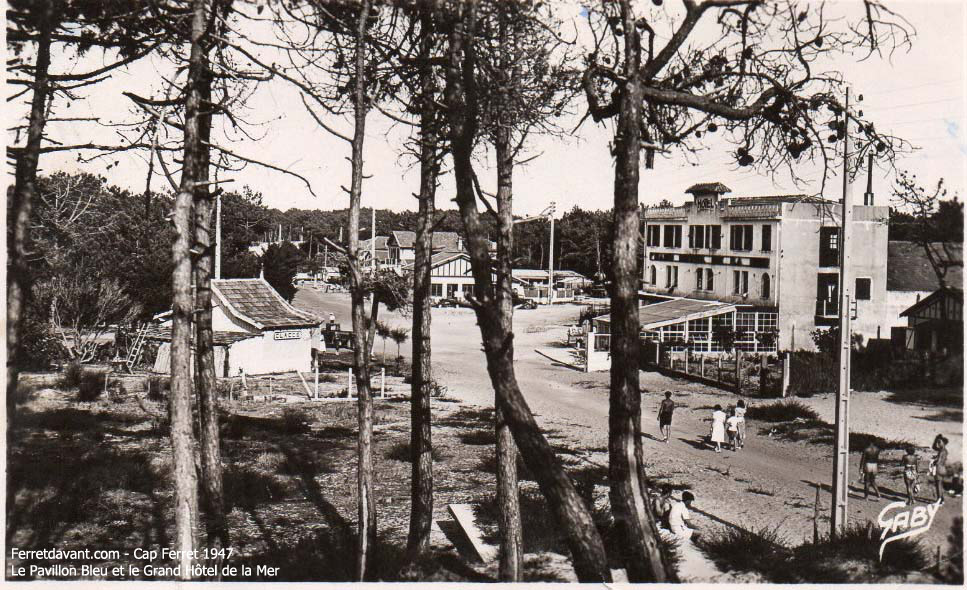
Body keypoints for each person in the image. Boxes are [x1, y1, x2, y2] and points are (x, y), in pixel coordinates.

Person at [930, 434, 949, 505]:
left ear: (943, 443)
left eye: (939, 442)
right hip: (943, 468)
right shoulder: (945, 450)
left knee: (938, 485)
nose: (938, 444)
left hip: (939, 468)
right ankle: (942, 499)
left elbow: (938, 461)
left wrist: (933, 461)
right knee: (940, 485)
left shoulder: (941, 451)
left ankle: (939, 501)